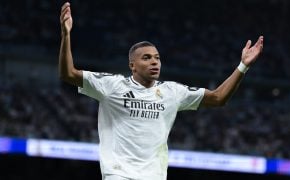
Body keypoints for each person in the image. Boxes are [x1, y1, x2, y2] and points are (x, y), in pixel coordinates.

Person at [59, 2, 264, 180]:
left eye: (157, 57)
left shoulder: (172, 92)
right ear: (132, 65)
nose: (154, 62)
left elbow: (218, 98)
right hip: (118, 173)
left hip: (153, 175)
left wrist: (243, 66)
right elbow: (68, 73)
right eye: (146, 58)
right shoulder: (112, 85)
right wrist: (66, 35)